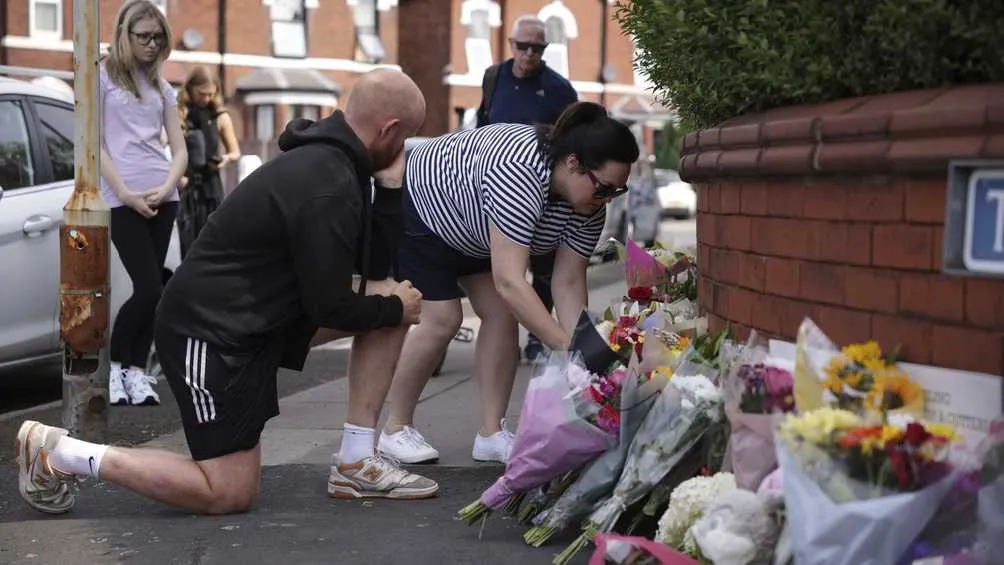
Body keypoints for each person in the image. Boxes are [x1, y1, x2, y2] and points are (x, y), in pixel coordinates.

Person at [16, 68, 437, 517]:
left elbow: (373, 272)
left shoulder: (342, 169)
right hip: (208, 335)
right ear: (389, 129)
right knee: (227, 492)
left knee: (393, 297)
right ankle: (60, 453)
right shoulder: (327, 183)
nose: (405, 150)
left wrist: (391, 188)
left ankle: (356, 460)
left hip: (254, 322)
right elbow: (329, 305)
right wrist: (389, 305)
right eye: (407, 138)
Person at [378, 102, 639, 465]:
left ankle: (491, 433)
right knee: (443, 318)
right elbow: (509, 280)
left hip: (477, 229)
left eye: (617, 192)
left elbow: (567, 282)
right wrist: (563, 346)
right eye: (605, 188)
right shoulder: (519, 172)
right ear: (574, 163)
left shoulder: (589, 205)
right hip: (426, 207)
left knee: (502, 316)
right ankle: (394, 428)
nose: (606, 200)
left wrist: (585, 352)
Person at [98, 0, 187, 407]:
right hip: (122, 198)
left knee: (156, 292)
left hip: (162, 196)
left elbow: (180, 151)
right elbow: (95, 145)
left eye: (158, 38)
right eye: (144, 36)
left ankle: (137, 373)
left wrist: (168, 185)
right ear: (125, 35)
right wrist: (127, 195)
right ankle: (115, 370)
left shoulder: (163, 88)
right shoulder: (101, 78)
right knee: (149, 287)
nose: (152, 45)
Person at [475, 15, 579, 365]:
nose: (529, 54)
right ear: (511, 45)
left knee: (545, 268)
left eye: (538, 48)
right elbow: (481, 125)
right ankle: (502, 330)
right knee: (500, 268)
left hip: (541, 190)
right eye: (523, 46)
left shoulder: (560, 89)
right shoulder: (494, 77)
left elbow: (572, 142)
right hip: (494, 187)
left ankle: (538, 336)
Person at [176, 65, 241, 258]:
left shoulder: (221, 117)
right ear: (190, 89)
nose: (206, 99)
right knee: (188, 247)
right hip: (186, 188)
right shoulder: (179, 114)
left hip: (211, 187)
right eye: (201, 93)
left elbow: (235, 152)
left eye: (211, 94)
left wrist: (223, 161)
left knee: (213, 244)